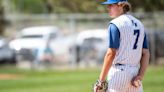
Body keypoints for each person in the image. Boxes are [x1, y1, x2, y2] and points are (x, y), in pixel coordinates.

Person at [93, 0, 150, 92]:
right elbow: (146, 53)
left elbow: (111, 53)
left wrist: (101, 80)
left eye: (111, 5)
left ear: (121, 5)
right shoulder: (139, 24)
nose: (108, 8)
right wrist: (140, 76)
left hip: (119, 73)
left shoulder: (115, 24)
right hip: (135, 73)